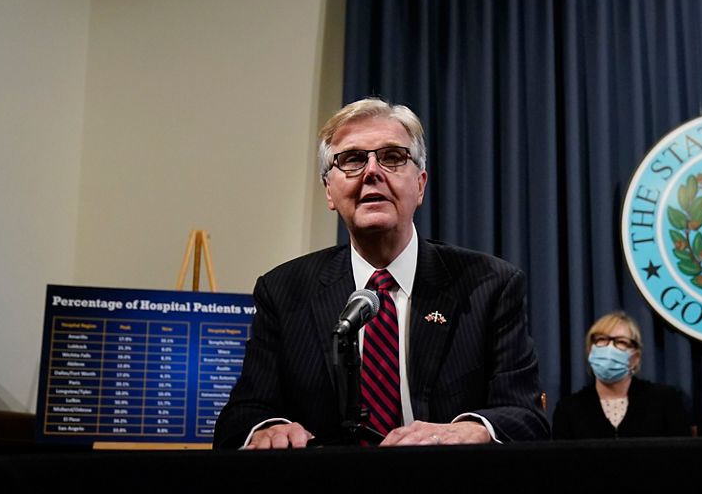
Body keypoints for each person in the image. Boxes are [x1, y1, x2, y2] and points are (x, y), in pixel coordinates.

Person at [214, 98, 548, 449]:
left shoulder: (490, 285)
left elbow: (526, 416)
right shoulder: (283, 291)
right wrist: (268, 428)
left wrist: (471, 429)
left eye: (392, 157)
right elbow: (241, 417)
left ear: (420, 185)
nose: (372, 171)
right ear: (329, 191)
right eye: (353, 159)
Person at [551, 311, 692, 439]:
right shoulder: (569, 409)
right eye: (601, 339)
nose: (609, 348)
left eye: (621, 342)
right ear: (590, 350)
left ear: (635, 358)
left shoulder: (664, 401)